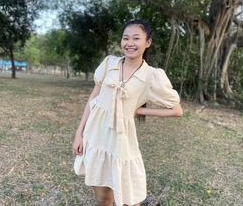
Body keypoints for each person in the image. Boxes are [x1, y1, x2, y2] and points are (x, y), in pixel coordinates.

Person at [72, 19, 183, 206]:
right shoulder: (109, 63)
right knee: (103, 198)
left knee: (129, 199)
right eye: (125, 38)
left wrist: (139, 109)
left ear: (147, 43)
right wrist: (78, 134)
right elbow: (93, 101)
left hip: (122, 141)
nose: (129, 43)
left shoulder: (151, 76)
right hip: (96, 136)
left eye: (136, 38)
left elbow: (177, 110)